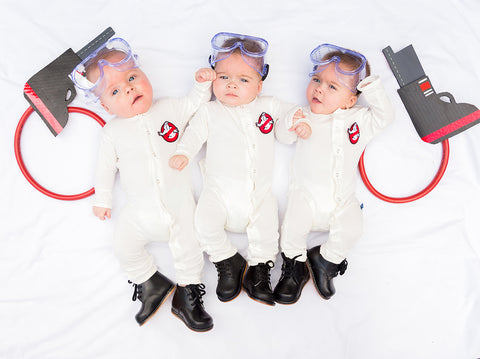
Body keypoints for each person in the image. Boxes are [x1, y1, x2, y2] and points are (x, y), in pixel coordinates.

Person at [71, 37, 215, 331]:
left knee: (190, 248)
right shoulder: (112, 132)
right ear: (105, 104)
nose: (129, 88)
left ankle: (188, 297)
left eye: (132, 77)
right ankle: (151, 283)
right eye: (115, 91)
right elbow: (105, 168)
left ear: (143, 73)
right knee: (123, 246)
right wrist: (103, 200)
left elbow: (194, 104)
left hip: (179, 207)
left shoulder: (168, 109)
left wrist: (202, 84)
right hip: (139, 213)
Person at [169, 32, 303, 306]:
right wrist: (183, 153)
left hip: (258, 194)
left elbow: (293, 115)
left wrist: (295, 121)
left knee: (267, 227)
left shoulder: (269, 105)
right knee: (203, 224)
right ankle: (227, 260)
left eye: (243, 80)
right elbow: (193, 134)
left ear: (259, 86)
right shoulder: (210, 111)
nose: (232, 85)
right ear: (213, 77)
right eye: (224, 77)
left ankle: (259, 270)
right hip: (218, 193)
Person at [274, 44, 394, 303]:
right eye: (317, 80)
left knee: (353, 228)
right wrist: (292, 123)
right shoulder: (303, 114)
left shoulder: (359, 119)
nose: (319, 88)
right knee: (291, 229)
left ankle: (326, 260)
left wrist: (370, 86)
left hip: (342, 199)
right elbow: (282, 136)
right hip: (305, 196)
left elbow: (385, 116)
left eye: (332, 87)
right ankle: (293, 270)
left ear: (352, 99)